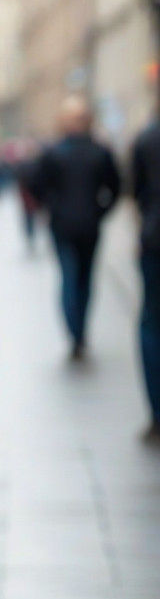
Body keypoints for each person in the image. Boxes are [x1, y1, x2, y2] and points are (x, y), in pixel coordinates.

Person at [30, 94, 121, 360]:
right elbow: (115, 187)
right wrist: (100, 212)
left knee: (69, 277)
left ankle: (75, 332)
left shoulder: (54, 152)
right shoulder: (100, 151)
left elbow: (36, 186)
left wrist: (51, 207)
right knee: (85, 279)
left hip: (62, 225)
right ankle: (80, 330)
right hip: (90, 224)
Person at [131, 111, 160, 444]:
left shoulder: (148, 138)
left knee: (151, 323)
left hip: (154, 239)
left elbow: (136, 192)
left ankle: (156, 412)